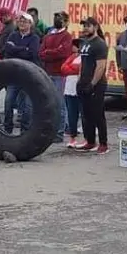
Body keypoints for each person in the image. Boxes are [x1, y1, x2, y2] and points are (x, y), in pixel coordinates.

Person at [2, 12, 41, 133]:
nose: (22, 24)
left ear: (30, 24)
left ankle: (25, 130)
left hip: (29, 76)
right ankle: (7, 129)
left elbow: (32, 54)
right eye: (20, 21)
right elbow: (7, 51)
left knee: (28, 106)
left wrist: (16, 49)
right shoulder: (13, 35)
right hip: (14, 75)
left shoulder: (35, 38)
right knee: (8, 103)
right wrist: (24, 49)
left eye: (25, 22)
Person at [76, 16, 109, 154]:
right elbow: (82, 63)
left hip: (96, 84)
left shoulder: (100, 43)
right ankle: (90, 141)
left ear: (95, 27)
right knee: (86, 114)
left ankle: (103, 144)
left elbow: (101, 66)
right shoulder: (84, 43)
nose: (85, 28)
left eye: (88, 26)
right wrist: (79, 80)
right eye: (84, 26)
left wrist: (92, 83)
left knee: (97, 114)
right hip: (83, 82)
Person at [39, 11, 72, 141]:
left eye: (60, 18)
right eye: (56, 17)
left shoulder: (67, 36)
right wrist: (52, 52)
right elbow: (41, 53)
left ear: (65, 21)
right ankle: (49, 131)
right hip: (48, 73)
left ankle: (59, 133)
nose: (57, 20)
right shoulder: (48, 36)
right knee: (48, 103)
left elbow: (63, 52)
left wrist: (49, 53)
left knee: (60, 104)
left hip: (60, 74)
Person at [61, 39, 83, 148]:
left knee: (83, 113)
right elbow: (63, 68)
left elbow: (81, 69)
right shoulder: (72, 57)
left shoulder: (84, 57)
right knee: (71, 114)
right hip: (69, 88)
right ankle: (72, 136)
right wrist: (73, 69)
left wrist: (72, 68)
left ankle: (87, 138)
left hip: (79, 88)